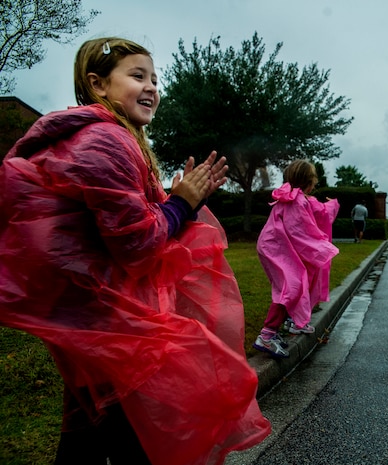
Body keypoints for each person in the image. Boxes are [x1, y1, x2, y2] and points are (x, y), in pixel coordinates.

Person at [0, 37, 270, 465]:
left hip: (93, 317)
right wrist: (181, 203)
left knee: (90, 430)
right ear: (98, 84)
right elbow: (138, 244)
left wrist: (183, 200)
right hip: (113, 322)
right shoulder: (106, 142)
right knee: (131, 436)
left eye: (155, 80)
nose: (152, 88)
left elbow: (130, 222)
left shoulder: (101, 138)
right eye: (137, 76)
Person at [254, 159, 340, 358]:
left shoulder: (297, 198)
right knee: (290, 287)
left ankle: (289, 324)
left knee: (294, 285)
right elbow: (299, 231)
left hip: (276, 246)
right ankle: (266, 336)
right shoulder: (296, 200)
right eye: (314, 179)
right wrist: (321, 247)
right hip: (275, 248)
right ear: (308, 181)